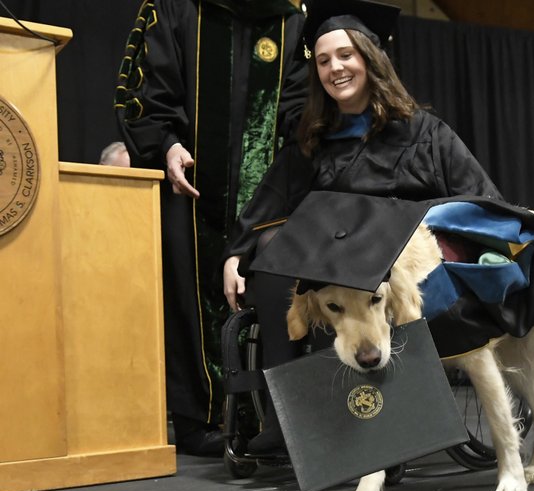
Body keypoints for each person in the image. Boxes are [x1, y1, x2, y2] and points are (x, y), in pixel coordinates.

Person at [221, 0, 503, 454]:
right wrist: (237, 253)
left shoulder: (424, 133)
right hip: (338, 271)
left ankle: (368, 423)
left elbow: (479, 202)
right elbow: (270, 202)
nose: (335, 68)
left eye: (346, 55)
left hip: (405, 269)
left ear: (371, 58)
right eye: (325, 60)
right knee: (273, 250)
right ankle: (287, 417)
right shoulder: (314, 139)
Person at [114, 0, 308, 456]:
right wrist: (166, 144)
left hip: (270, 198)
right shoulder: (175, 7)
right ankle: (200, 419)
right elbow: (144, 92)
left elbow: (304, 105)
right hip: (191, 188)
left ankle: (274, 418)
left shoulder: (292, 18)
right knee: (190, 295)